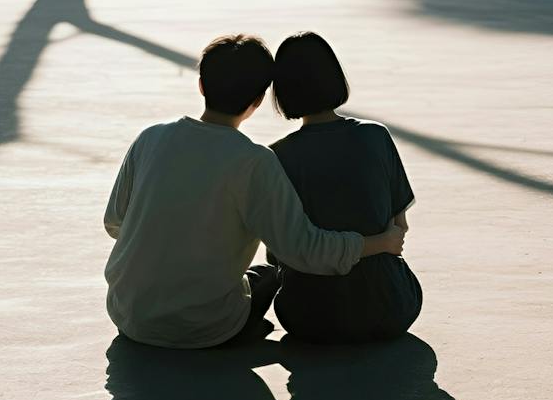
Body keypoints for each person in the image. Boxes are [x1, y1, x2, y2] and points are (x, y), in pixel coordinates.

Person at [103, 34, 405, 349]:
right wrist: (381, 242)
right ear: (259, 100)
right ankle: (238, 330)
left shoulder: (150, 138)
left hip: (129, 315)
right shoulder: (254, 161)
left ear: (202, 86)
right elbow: (304, 251)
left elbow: (115, 223)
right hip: (204, 327)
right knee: (270, 274)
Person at [268, 32, 422, 343]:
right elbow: (398, 229)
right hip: (390, 307)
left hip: (308, 317)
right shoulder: (375, 137)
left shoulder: (276, 156)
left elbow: (278, 254)